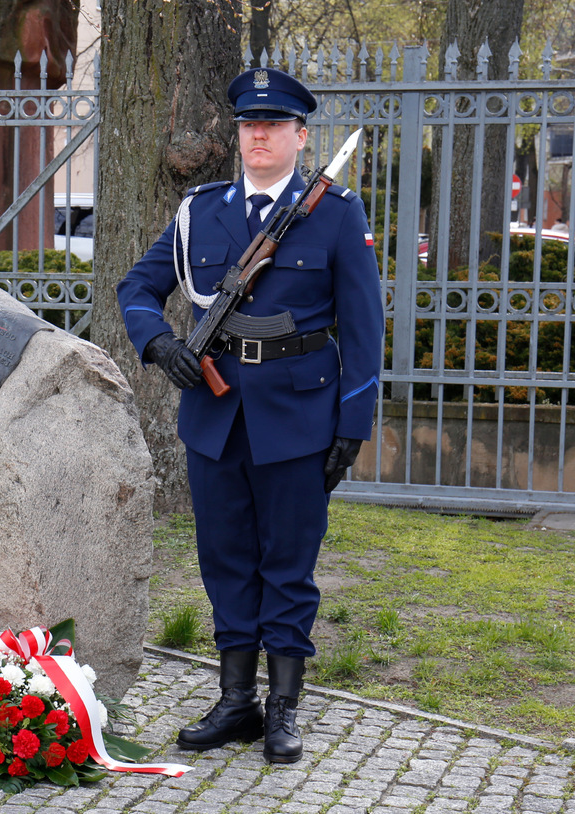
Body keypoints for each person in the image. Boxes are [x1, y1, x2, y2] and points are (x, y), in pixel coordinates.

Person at [116, 67, 383, 763]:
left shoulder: (336, 212)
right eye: (247, 123)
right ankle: (236, 701)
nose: (258, 133)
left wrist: (351, 427)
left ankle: (284, 707)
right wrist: (160, 342)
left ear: (300, 135)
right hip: (215, 413)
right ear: (237, 134)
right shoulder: (201, 210)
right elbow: (139, 287)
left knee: (287, 565)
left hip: (299, 417)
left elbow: (364, 329)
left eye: (273, 124)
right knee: (225, 559)